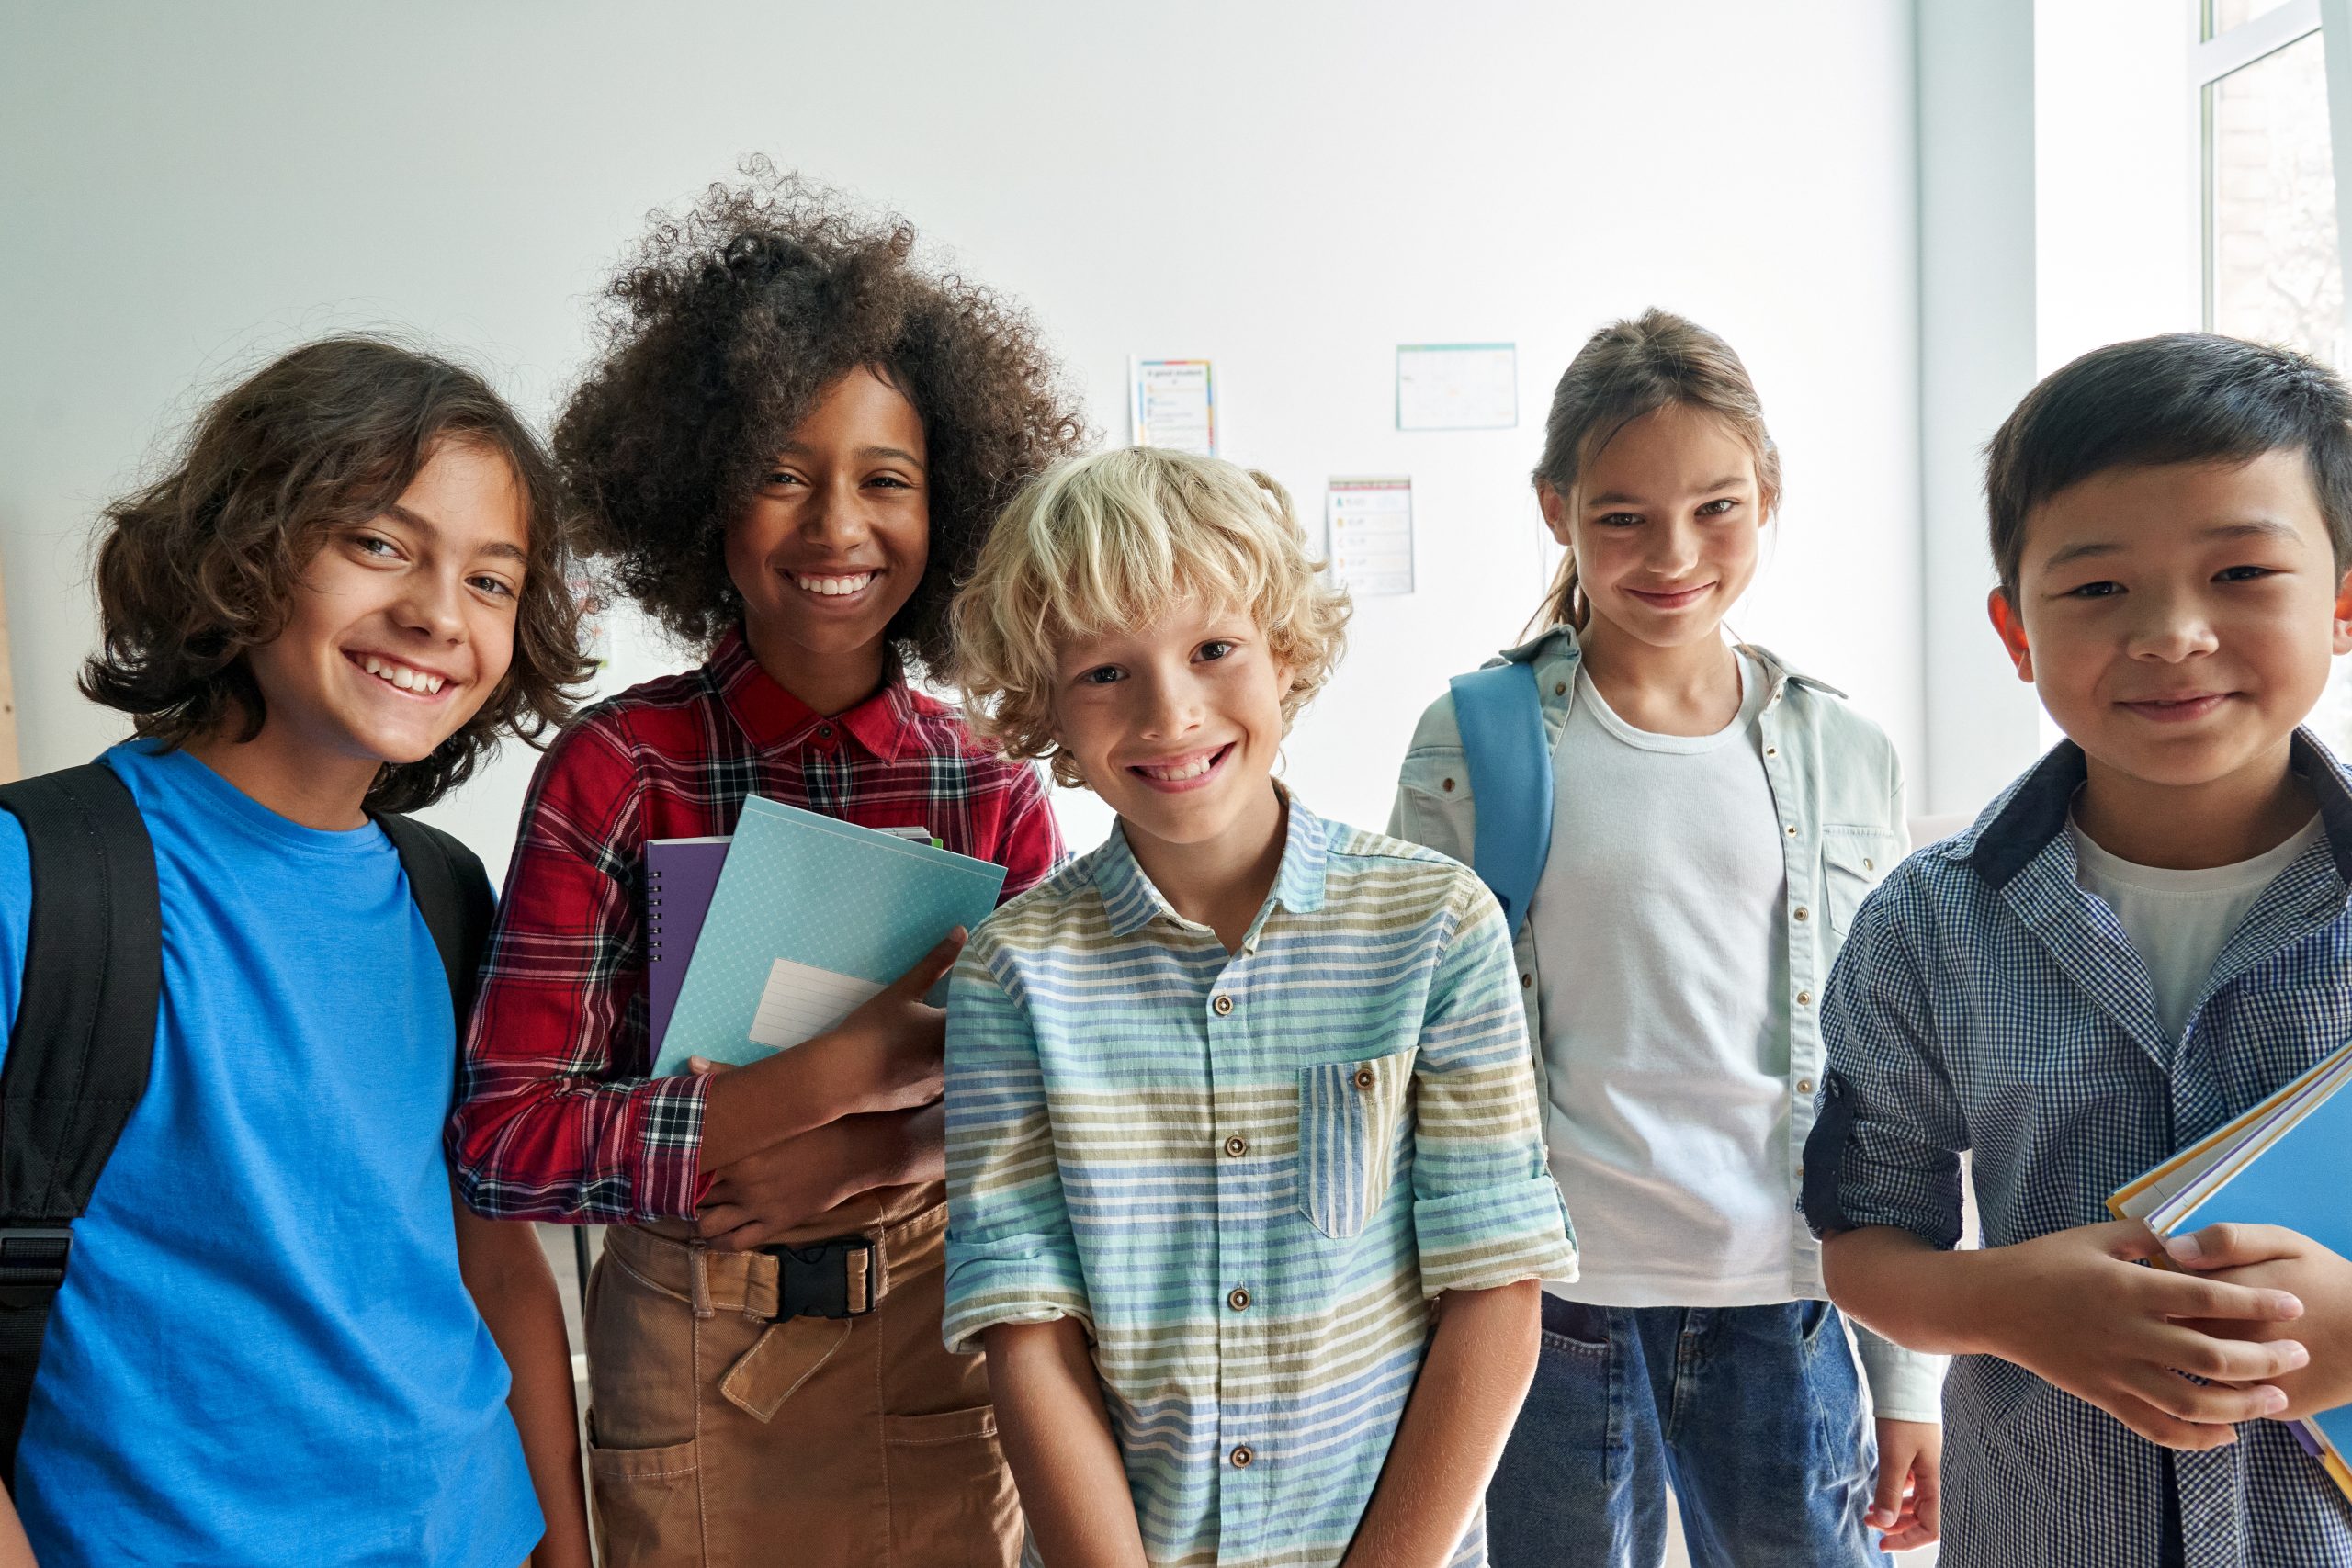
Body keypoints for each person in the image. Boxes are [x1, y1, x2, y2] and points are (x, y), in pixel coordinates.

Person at [449, 167, 1080, 1566]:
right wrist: (805, 1096)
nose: (835, 525)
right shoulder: (619, 770)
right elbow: (504, 1142)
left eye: (885, 479)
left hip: (935, 1350)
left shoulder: (993, 792)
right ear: (701, 504)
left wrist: (887, 1146)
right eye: (779, 474)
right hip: (687, 1356)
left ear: (953, 502)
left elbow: (1064, 1118)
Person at [0, 336, 595, 1567]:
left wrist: (564, 1548)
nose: (437, 612)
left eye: (492, 578)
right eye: (379, 543)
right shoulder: (39, 879)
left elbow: (492, 1254)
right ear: (245, 546)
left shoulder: (448, 893)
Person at [943, 446, 1577, 1567]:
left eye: (1213, 649)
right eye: (1104, 673)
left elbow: (1494, 1291)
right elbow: (1026, 1332)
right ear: (1045, 706)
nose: (1169, 711)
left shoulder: (1437, 927)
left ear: (1283, 653)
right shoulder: (1011, 973)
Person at [1391, 309, 1945, 1566]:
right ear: (1557, 508)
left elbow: (1897, 1079)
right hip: (1553, 1303)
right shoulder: (1472, 738)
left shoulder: (1842, 752)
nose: (1673, 553)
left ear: (1769, 496)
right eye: (1622, 515)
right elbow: (1412, 1048)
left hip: (1790, 1293)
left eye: (1717, 506)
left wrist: (1909, 1379)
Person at [1809, 333, 2352, 1566]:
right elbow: (1865, 1235)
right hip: (2043, 1526)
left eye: (2241, 572)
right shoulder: (1925, 924)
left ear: (2342, 599)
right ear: (2015, 629)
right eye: (2099, 588)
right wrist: (2012, 1303)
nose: (2171, 633)